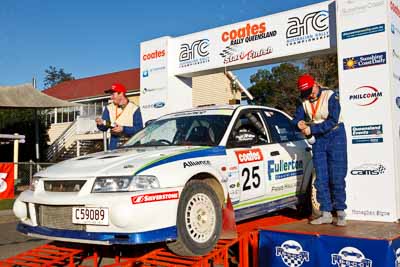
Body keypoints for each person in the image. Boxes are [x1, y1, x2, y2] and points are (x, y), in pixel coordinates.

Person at [292, 74, 348, 226]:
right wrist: (299, 124)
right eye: (305, 93)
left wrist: (312, 129)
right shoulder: (304, 101)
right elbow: (295, 119)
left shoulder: (330, 95)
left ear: (315, 84)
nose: (309, 95)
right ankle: (326, 213)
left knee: (336, 174)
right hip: (318, 139)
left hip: (335, 135)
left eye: (310, 91)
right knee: (321, 177)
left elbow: (333, 120)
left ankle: (341, 212)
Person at [96, 83, 143, 150]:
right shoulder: (108, 108)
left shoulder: (134, 108)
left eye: (113, 94)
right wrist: (100, 124)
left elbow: (139, 129)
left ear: (121, 94)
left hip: (131, 146)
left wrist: (123, 129)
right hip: (114, 146)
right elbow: (105, 127)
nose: (111, 97)